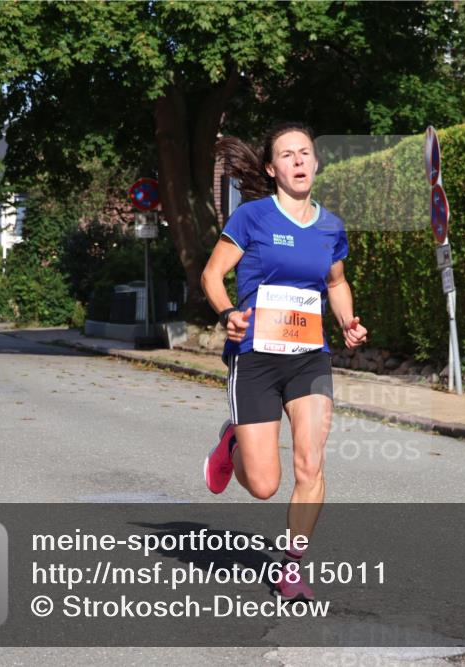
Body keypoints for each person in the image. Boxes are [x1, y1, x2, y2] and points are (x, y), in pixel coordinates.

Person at [201, 122, 368, 603]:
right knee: (263, 485)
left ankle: (291, 567)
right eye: (287, 155)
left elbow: (335, 282)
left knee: (310, 464)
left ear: (316, 163)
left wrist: (347, 320)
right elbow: (213, 275)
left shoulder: (330, 226)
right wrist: (228, 313)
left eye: (306, 153)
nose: (298, 161)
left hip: (309, 358)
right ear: (273, 169)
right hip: (255, 356)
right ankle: (231, 442)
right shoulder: (252, 217)